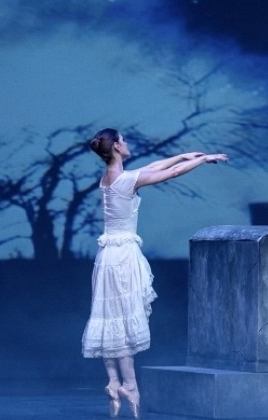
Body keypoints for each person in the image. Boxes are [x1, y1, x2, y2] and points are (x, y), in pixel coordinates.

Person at [82, 127, 228, 418]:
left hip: (107, 255)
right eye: (123, 140)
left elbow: (153, 167)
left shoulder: (110, 177)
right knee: (123, 320)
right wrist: (201, 160)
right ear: (116, 147)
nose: (127, 143)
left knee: (109, 317)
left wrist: (184, 155)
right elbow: (168, 174)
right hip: (122, 256)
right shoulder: (126, 180)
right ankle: (130, 387)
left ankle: (114, 382)